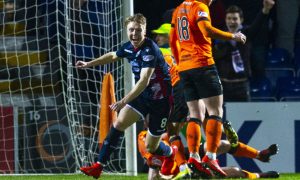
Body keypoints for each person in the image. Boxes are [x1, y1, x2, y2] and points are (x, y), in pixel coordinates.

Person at [76, 13, 177, 179]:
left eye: (138, 30)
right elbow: (114, 55)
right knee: (119, 123)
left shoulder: (150, 50)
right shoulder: (129, 47)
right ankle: (98, 166)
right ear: (127, 30)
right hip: (143, 97)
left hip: (161, 101)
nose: (134, 34)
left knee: (151, 147)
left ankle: (171, 152)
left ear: (144, 31)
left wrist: (123, 101)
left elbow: (144, 80)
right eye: (131, 30)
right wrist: (89, 63)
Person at [169, 0, 246, 177]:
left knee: (195, 115)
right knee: (215, 111)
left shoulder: (179, 9)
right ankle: (210, 156)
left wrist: (181, 64)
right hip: (202, 64)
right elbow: (207, 30)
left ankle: (194, 156)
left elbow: (173, 40)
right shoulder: (200, 7)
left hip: (185, 68)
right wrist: (232, 36)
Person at [138, 128, 279, 179]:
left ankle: (259, 154)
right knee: (234, 172)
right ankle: (260, 175)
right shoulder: (143, 137)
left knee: (222, 144)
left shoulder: (169, 126)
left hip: (184, 156)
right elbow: (153, 168)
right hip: (175, 172)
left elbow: (176, 141)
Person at [213, 0, 275, 102]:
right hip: (224, 86)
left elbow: (256, 25)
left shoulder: (246, 35)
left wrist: (265, 10)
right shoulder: (220, 37)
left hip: (242, 86)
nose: (231, 22)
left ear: (241, 20)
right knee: (223, 117)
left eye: (235, 19)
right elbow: (216, 56)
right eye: (229, 19)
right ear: (225, 20)